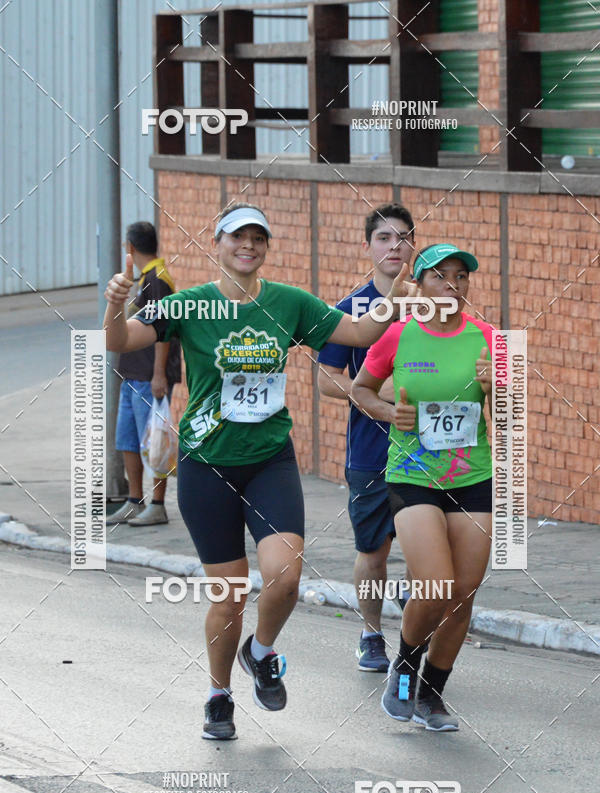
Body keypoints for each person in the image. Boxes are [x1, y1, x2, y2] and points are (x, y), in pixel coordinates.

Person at [103, 203, 411, 741]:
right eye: (237, 237)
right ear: (217, 243)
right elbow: (119, 341)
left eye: (258, 238)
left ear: (266, 248)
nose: (248, 245)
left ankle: (261, 651)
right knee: (229, 596)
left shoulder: (288, 303)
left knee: (286, 576)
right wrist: (112, 308)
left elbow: (359, 333)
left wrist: (395, 296)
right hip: (207, 466)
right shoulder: (189, 304)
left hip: (270, 459)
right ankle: (219, 695)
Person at [351, 243, 494, 731]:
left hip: (473, 477)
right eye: (440, 276)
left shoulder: (488, 339)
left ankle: (432, 693)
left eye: (461, 277)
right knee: (435, 583)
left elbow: (514, 415)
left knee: (463, 594)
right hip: (412, 476)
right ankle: (406, 665)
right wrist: (393, 413)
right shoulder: (397, 336)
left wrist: (499, 387)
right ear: (422, 284)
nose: (452, 286)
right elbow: (360, 390)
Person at [317, 204, 416, 673]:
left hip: (429, 453)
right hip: (372, 452)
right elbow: (325, 378)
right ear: (368, 247)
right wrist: (371, 396)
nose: (393, 246)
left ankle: (415, 636)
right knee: (373, 553)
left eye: (402, 238)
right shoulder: (350, 310)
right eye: (384, 238)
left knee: (426, 552)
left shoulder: (433, 304)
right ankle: (372, 634)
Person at [106, 222, 181, 527]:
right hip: (132, 375)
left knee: (155, 442)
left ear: (130, 248)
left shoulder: (157, 280)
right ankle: (134, 502)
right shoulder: (143, 279)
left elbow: (163, 332)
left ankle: (158, 504)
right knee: (127, 441)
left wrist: (159, 374)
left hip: (150, 377)